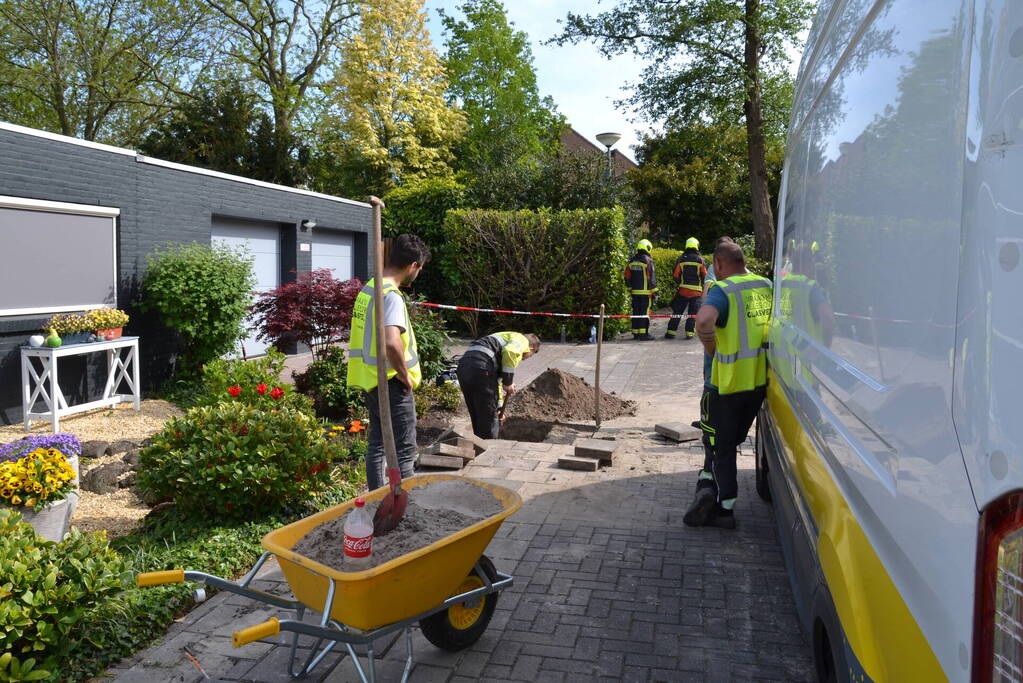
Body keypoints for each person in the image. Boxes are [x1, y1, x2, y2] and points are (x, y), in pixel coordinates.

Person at [684, 240, 772, 529]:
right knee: (732, 440)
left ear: (719, 264)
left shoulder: (723, 290)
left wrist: (711, 348)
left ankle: (724, 510)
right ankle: (711, 486)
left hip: (726, 385)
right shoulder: (765, 285)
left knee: (719, 447)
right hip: (757, 384)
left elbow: (703, 322)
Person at [346, 234, 431, 491]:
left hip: (371, 379)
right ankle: (406, 502)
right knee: (404, 450)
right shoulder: (391, 295)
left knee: (378, 444)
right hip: (392, 382)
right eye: (420, 269)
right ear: (413, 265)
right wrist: (404, 374)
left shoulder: (370, 288)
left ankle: (376, 497)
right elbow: (391, 342)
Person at [456, 331, 541, 438]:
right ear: (532, 348)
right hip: (482, 365)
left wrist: (499, 408)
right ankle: (489, 446)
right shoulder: (522, 340)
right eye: (530, 355)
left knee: (477, 412)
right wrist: (508, 382)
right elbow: (510, 351)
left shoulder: (502, 343)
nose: (525, 358)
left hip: (464, 367)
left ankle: (478, 443)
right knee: (488, 416)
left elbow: (496, 383)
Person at [666, 237, 707, 339]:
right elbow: (704, 275)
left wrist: (680, 283)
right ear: (697, 246)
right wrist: (702, 285)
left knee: (677, 312)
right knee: (692, 314)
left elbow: (675, 275)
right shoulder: (700, 260)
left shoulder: (681, 259)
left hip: (683, 291)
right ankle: (689, 333)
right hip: (696, 292)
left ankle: (671, 332)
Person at [624, 238, 657, 340]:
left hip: (635, 293)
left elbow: (627, 276)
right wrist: (655, 292)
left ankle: (636, 333)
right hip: (645, 293)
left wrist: (630, 288)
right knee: (644, 313)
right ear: (648, 248)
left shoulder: (632, 260)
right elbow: (651, 278)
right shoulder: (648, 261)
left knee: (636, 312)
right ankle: (643, 335)